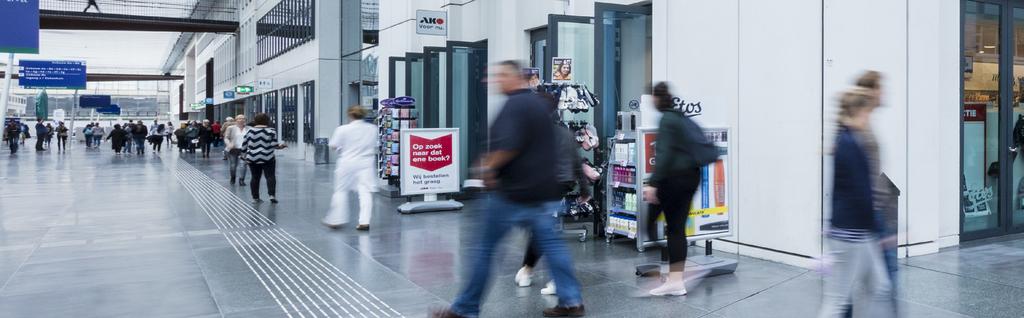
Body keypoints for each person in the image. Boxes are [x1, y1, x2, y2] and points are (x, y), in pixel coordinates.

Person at [431, 61, 584, 318]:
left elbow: (507, 146)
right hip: (542, 192)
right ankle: (571, 300)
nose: (491, 80)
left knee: (484, 249)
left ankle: (465, 308)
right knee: (553, 246)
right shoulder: (538, 105)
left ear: (515, 78)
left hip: (512, 194)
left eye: (499, 75)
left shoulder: (515, 105)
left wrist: (486, 169)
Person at [817, 87, 894, 318]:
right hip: (851, 234)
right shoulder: (850, 144)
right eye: (868, 112)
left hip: (854, 231)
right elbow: (861, 193)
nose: (869, 118)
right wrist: (879, 230)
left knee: (880, 286)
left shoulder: (845, 139)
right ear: (860, 111)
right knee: (837, 301)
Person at [641, 82, 718, 297]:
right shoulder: (681, 118)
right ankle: (675, 278)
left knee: (655, 225)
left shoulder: (667, 119)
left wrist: (653, 184)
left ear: (656, 99)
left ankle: (671, 279)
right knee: (677, 229)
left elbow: (663, 155)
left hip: (673, 180)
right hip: (690, 178)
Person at [514, 91, 592, 295]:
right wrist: (584, 188)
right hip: (561, 184)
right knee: (543, 228)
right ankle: (527, 270)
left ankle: (550, 277)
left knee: (544, 231)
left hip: (546, 184)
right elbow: (577, 161)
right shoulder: (562, 131)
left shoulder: (538, 132)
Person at [323, 106, 378, 231]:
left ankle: (336, 219)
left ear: (350, 115)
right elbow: (375, 144)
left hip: (347, 163)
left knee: (341, 190)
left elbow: (333, 145)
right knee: (365, 192)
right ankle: (364, 222)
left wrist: (341, 147)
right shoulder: (372, 129)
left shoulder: (342, 129)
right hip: (366, 163)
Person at [242, 113, 286, 203]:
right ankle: (271, 195)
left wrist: (243, 156)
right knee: (270, 176)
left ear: (255, 120)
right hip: (268, 157)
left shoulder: (250, 131)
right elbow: (274, 145)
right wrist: (282, 146)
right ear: (267, 120)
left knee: (255, 177)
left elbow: (244, 146)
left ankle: (255, 198)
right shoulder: (271, 131)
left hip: (253, 158)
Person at [224, 115, 249, 186]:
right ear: (236, 120)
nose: (241, 120)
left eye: (243, 119)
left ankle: (241, 179)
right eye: (239, 119)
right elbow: (226, 138)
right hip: (233, 149)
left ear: (245, 120)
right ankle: (233, 177)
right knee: (233, 165)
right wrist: (229, 144)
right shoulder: (231, 128)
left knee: (243, 165)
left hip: (244, 149)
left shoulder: (248, 128)